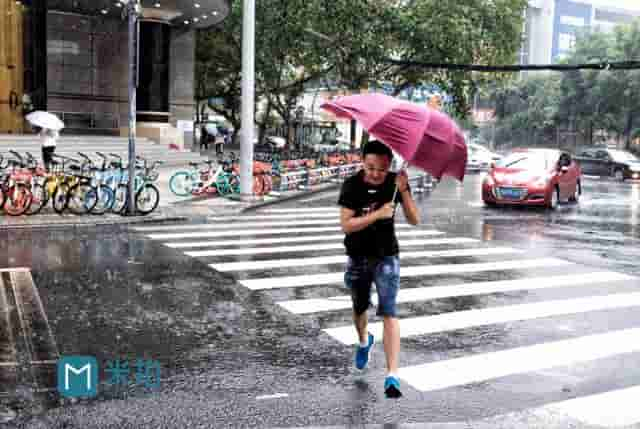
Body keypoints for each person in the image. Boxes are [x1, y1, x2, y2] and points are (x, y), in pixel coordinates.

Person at [338, 140, 420, 398]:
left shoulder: (396, 181)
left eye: (382, 169)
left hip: (387, 257)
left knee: (389, 311)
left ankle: (392, 375)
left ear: (389, 167)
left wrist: (404, 191)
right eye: (371, 167)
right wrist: (377, 214)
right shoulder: (352, 185)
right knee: (359, 308)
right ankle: (364, 340)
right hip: (358, 256)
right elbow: (347, 225)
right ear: (363, 162)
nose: (376, 174)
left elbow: (415, 219)